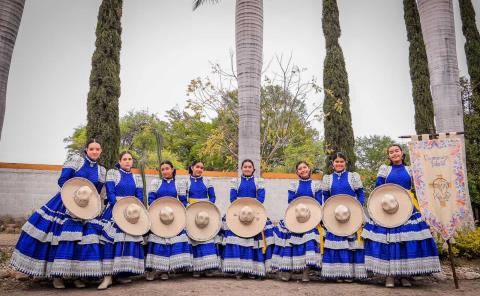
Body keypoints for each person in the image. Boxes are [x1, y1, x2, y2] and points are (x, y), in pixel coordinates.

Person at [11, 139, 106, 289]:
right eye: (92, 149)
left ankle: (75, 276)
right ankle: (57, 277)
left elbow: (96, 191)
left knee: (82, 241)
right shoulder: (76, 161)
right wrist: (73, 196)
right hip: (66, 203)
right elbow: (62, 180)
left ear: (101, 151)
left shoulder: (101, 171)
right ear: (86, 150)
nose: (95, 151)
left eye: (97, 149)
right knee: (61, 239)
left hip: (86, 208)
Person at [362, 144, 441, 287]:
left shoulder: (410, 169)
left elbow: (420, 188)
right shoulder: (384, 170)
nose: (394, 153)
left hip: (408, 207)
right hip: (388, 207)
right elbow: (378, 188)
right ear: (388, 156)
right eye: (391, 152)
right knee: (389, 241)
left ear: (402, 153)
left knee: (405, 240)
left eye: (396, 151)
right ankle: (390, 275)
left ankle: (405, 275)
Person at [98, 151, 145, 289]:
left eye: (130, 159)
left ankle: (122, 274)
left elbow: (140, 196)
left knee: (128, 242)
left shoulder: (137, 178)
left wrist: (134, 211)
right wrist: (118, 208)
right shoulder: (113, 173)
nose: (127, 161)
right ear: (119, 161)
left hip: (131, 213)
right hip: (114, 210)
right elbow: (111, 192)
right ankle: (108, 277)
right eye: (124, 159)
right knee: (110, 242)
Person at [221, 159, 274, 279]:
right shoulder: (236, 181)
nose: (247, 169)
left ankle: (253, 269)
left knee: (257, 239)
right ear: (241, 168)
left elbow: (261, 198)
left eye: (249, 167)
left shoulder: (259, 181)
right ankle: (238, 269)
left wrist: (251, 211)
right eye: (245, 167)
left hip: (254, 213)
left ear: (253, 169)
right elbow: (232, 199)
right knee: (233, 236)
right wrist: (242, 211)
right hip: (239, 213)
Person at [272, 161, 322, 282]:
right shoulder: (293, 185)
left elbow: (318, 202)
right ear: (297, 172)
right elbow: (291, 201)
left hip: (311, 217)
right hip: (296, 216)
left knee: (308, 243)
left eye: (305, 167)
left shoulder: (316, 185)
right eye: (300, 169)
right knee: (290, 242)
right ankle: (289, 271)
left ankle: (305, 273)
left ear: (309, 169)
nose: (303, 170)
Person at [321, 152, 366, 281]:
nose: (339, 163)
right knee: (337, 244)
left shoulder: (353, 176)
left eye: (341, 161)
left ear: (346, 163)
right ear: (332, 164)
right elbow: (326, 197)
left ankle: (350, 274)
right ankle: (338, 274)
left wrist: (359, 209)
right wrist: (329, 212)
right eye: (337, 161)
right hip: (335, 215)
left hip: (352, 213)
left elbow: (360, 193)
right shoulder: (327, 178)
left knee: (352, 245)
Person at [145, 160, 192, 280]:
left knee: (173, 241)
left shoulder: (179, 184)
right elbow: (151, 200)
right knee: (157, 241)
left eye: (167, 168)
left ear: (172, 169)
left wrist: (182, 212)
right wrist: (158, 211)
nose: (165, 171)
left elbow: (182, 201)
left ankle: (166, 270)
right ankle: (153, 270)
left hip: (173, 217)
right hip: (158, 216)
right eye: (163, 169)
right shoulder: (156, 182)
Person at [185, 160, 221, 277]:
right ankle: (196, 268)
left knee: (207, 237)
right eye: (197, 167)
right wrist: (190, 208)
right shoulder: (185, 181)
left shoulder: (207, 181)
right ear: (192, 167)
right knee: (194, 238)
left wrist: (207, 208)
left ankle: (208, 267)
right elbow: (182, 198)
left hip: (205, 213)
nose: (199, 169)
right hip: (191, 213)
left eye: (202, 168)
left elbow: (213, 197)